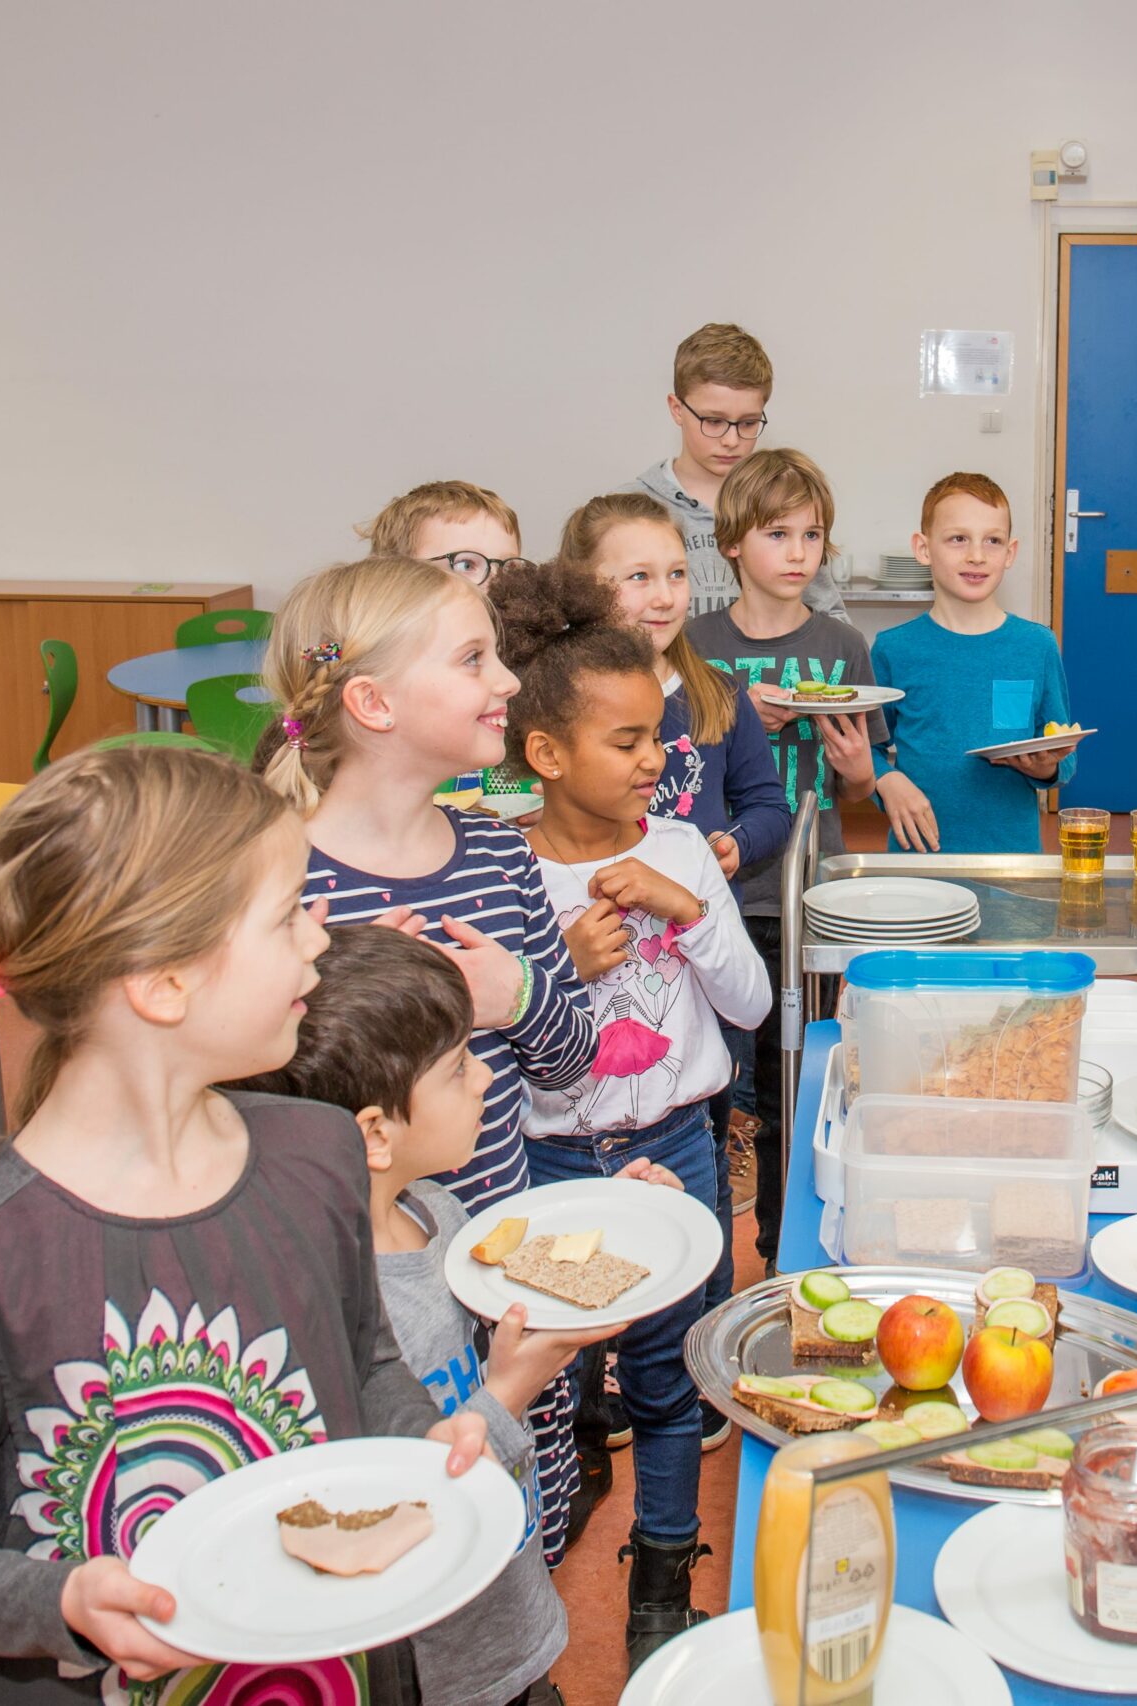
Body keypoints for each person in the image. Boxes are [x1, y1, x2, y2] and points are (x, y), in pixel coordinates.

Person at [0, 745, 492, 1703]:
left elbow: (363, 1359)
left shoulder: (316, 1152)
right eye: (286, 918)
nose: (320, 941)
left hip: (339, 1673)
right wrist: (60, 1600)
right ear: (163, 985)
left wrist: (422, 1440)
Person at [233, 925, 696, 1706]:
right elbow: (379, 1509)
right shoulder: (343, 1306)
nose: (485, 1076)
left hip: (506, 1610)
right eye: (456, 1068)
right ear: (376, 1134)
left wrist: (627, 1216)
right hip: (438, 1670)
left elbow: (535, 1293)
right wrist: (508, 1394)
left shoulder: (437, 1212)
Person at [259, 555, 603, 1557]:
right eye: (473, 658)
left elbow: (568, 1059)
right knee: (385, 1516)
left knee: (507, 1506)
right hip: (352, 1290)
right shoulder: (284, 881)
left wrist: (516, 994)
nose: (507, 681)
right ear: (373, 701)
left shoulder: (498, 851)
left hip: (494, 1257)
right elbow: (252, 1106)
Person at [493, 561, 772, 1673]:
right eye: (626, 742)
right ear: (546, 755)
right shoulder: (504, 870)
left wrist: (690, 908)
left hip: (671, 1144)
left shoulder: (673, 848)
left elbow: (749, 1004)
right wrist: (552, 968)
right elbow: (490, 1053)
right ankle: (554, 1518)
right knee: (552, 1372)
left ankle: (662, 1569)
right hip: (548, 1157)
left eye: (656, 735)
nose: (655, 760)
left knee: (667, 1370)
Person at [688, 448, 884, 1267]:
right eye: (778, 534)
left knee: (794, 1081)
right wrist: (738, 732)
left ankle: (780, 1258)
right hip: (708, 899)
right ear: (732, 542)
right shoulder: (693, 645)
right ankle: (698, 1252)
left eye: (814, 535)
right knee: (710, 1090)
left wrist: (861, 777)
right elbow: (667, 771)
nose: (800, 553)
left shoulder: (842, 645)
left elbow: (858, 800)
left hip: (805, 896)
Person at [868, 472, 1077, 854]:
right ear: (923, 548)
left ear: (1010, 553)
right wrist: (887, 781)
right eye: (958, 538)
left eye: (992, 541)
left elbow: (1064, 755)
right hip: (920, 858)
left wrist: (1045, 767)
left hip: (1012, 862)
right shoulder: (893, 649)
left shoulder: (1037, 646)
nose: (977, 555)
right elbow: (868, 747)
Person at [623, 323, 846, 617]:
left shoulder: (782, 502)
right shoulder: (628, 510)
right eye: (713, 421)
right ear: (677, 409)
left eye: (748, 423)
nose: (731, 440)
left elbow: (830, 618)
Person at [363, 479, 537, 587]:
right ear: (395, 577)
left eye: (510, 569)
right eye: (466, 565)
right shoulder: (349, 644)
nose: (497, 582)